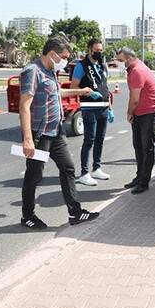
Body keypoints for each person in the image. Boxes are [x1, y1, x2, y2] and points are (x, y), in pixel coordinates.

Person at [19, 37, 100, 229]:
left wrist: (80, 92)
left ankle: (75, 213)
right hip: (40, 134)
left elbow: (54, 93)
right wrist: (28, 139)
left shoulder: (50, 71)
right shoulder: (33, 71)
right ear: (53, 54)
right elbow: (24, 105)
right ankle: (27, 216)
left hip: (56, 132)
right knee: (34, 175)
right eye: (64, 57)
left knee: (68, 168)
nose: (65, 61)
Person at [115, 47, 155, 194]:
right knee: (138, 146)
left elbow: (134, 100)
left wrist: (129, 112)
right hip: (140, 113)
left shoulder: (137, 71)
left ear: (129, 58)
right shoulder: (133, 68)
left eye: (121, 60)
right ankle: (139, 177)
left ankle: (144, 182)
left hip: (149, 113)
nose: (119, 63)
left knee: (146, 148)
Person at [72, 38, 114, 186]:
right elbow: (73, 88)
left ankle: (97, 168)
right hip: (89, 108)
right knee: (89, 140)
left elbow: (105, 86)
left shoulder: (102, 65)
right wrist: (87, 92)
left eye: (101, 50)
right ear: (89, 50)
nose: (99, 53)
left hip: (103, 108)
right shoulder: (81, 66)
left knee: (100, 139)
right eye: (96, 50)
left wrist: (109, 107)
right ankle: (84, 173)